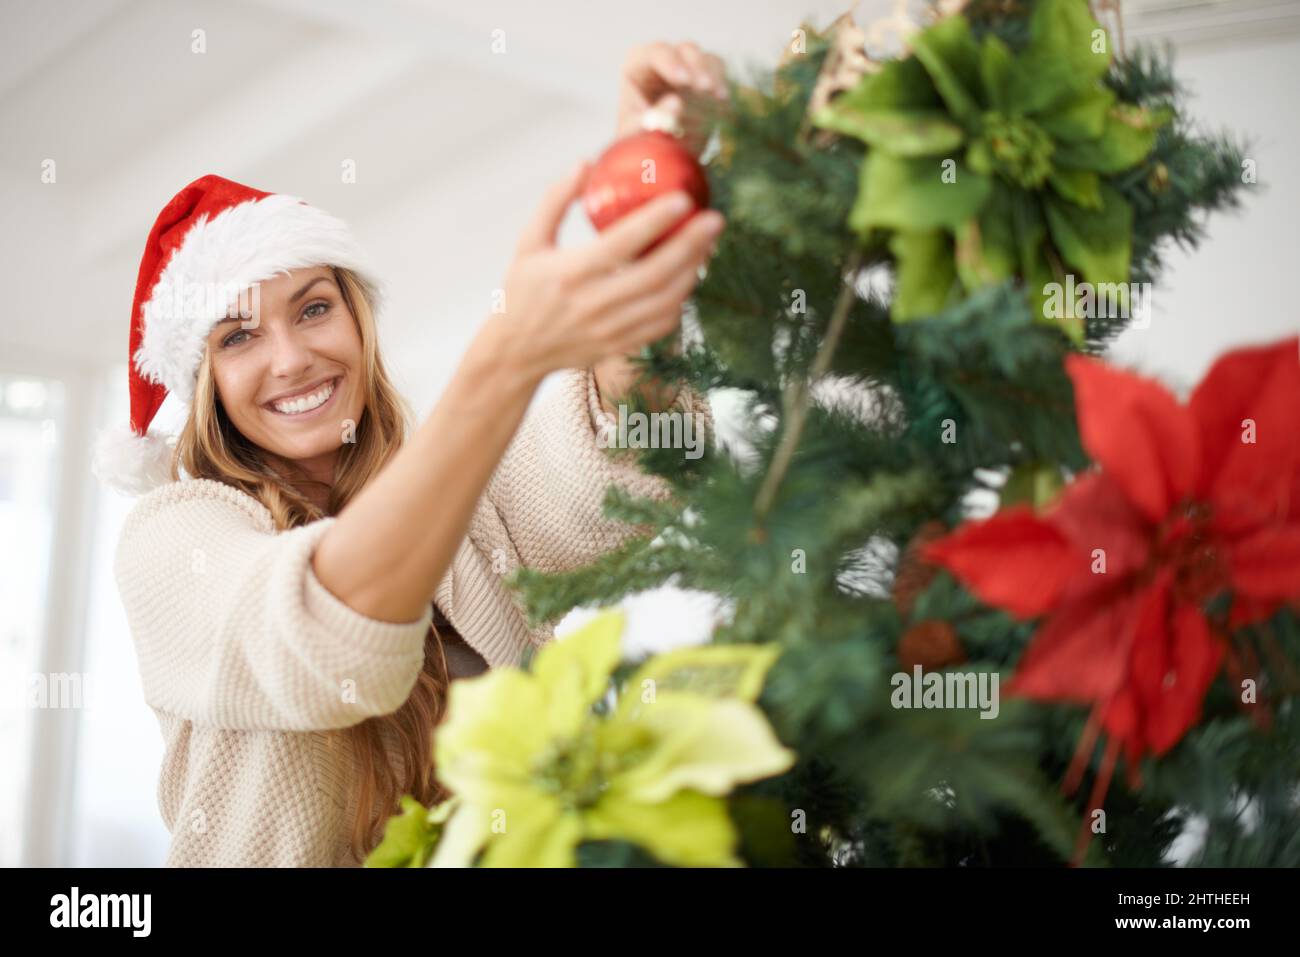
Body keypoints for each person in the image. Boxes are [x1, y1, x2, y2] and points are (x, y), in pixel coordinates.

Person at [91, 42, 728, 867]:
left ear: (357, 320)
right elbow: (321, 634)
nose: (290, 358)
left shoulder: (456, 498)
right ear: (202, 378)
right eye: (239, 335)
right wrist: (505, 359)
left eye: (313, 308)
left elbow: (626, 454)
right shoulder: (174, 540)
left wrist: (642, 192)